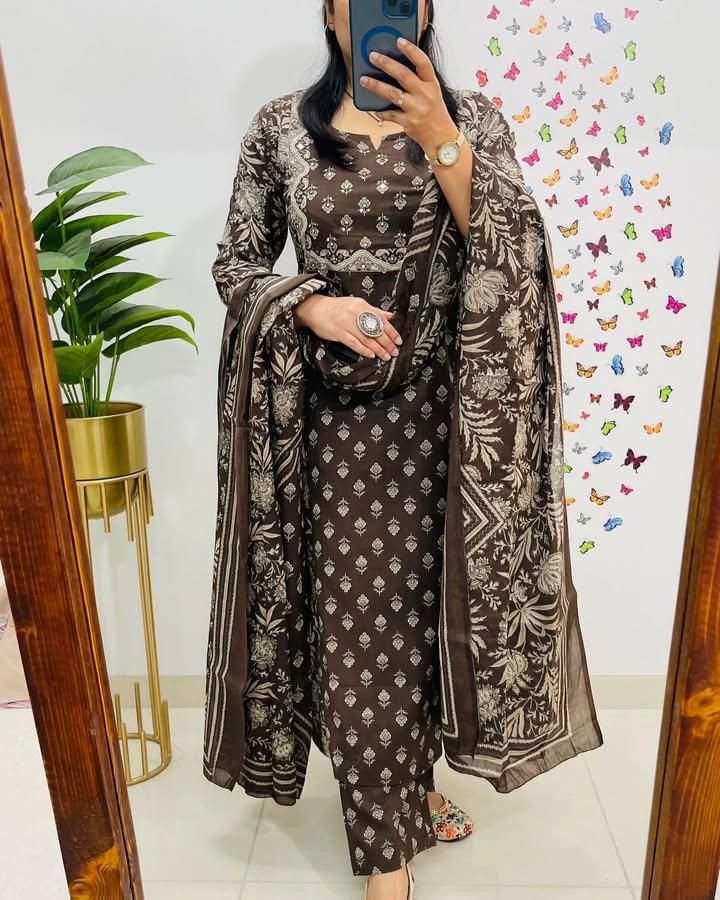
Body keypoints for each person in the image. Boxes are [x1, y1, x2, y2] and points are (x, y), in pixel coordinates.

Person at [203, 2, 604, 899]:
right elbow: (236, 264)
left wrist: (440, 137)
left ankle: (412, 790)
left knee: (429, 623)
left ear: (423, 12)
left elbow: (515, 248)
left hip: (453, 425)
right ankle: (386, 863)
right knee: (357, 623)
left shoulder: (471, 120)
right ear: (331, 12)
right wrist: (314, 305)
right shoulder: (280, 128)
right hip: (329, 425)